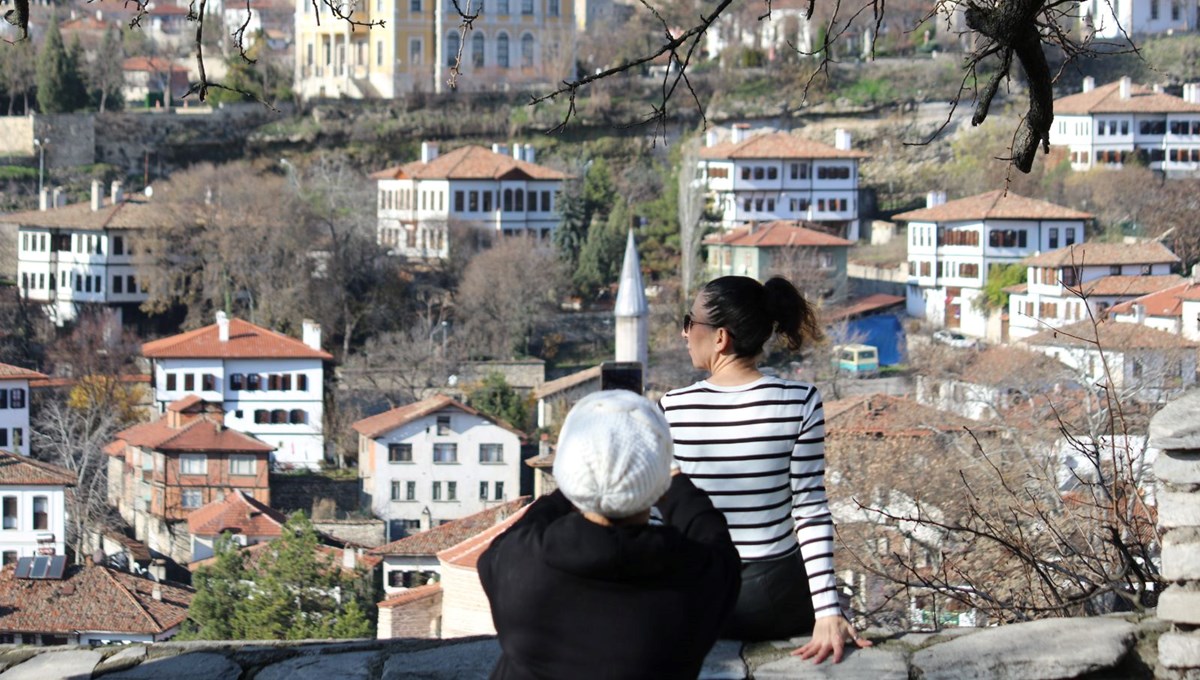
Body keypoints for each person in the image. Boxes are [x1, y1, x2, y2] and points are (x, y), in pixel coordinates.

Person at [659, 275, 871, 665]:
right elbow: (810, 509)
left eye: (690, 322)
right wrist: (826, 611)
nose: (685, 332)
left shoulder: (672, 408)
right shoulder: (800, 401)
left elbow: (661, 517)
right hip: (777, 600)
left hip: (700, 600)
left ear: (720, 337)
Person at [478, 390, 741, 680]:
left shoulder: (517, 564)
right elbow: (712, 534)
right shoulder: (699, 577)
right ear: (658, 480)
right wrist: (669, 477)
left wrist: (580, 481)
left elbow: (512, 537)